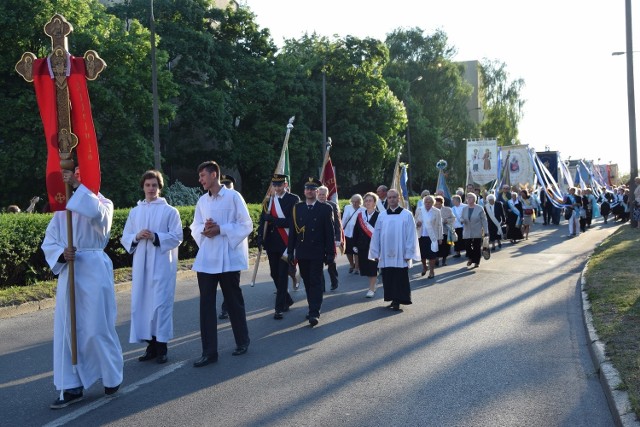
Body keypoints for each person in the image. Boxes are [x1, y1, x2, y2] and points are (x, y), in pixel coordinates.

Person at [42, 168, 123, 409]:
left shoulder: (103, 202)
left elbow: (98, 216)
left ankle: (111, 376)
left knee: (97, 327)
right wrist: (60, 254)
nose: (75, 177)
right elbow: (50, 241)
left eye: (80, 174)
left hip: (94, 269)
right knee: (68, 329)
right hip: (70, 271)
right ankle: (70, 386)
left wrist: (78, 187)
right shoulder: (61, 213)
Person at [190, 161, 253, 367]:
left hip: (228, 260)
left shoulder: (234, 197)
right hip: (208, 260)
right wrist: (204, 230)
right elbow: (195, 225)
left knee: (234, 302)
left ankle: (242, 341)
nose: (200, 180)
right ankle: (209, 351)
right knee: (206, 306)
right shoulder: (202, 201)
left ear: (214, 174)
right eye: (199, 177)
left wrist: (221, 229)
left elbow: (246, 224)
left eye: (203, 176)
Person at [121, 170, 183, 364]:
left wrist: (156, 237)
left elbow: (177, 237)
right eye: (147, 185)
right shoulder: (135, 211)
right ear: (143, 187)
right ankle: (150, 345)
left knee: (160, 304)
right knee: (143, 304)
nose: (151, 189)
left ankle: (162, 347)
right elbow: (126, 236)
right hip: (141, 265)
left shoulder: (170, 211)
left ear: (159, 187)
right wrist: (136, 236)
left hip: (162, 264)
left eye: (154, 185)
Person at [288, 177, 335, 327]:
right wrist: (290, 252)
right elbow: (293, 233)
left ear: (317, 191)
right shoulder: (298, 208)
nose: (309, 191)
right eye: (307, 188)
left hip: (317, 251)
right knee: (307, 282)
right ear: (304, 191)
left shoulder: (325, 208)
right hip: (302, 251)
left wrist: (330, 253)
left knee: (315, 281)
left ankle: (315, 312)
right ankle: (311, 306)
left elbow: (329, 232)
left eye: (312, 189)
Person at [257, 173, 300, 320]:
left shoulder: (294, 199)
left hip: (286, 242)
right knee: (274, 274)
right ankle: (286, 299)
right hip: (271, 242)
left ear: (285, 185)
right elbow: (263, 222)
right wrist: (259, 237)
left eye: (279, 185)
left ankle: (279, 307)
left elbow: (293, 222)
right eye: (274, 185)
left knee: (282, 275)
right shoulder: (269, 201)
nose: (277, 188)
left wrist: (274, 220)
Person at [369, 189, 419, 311]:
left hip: (401, 253)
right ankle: (391, 298)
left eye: (394, 197)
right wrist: (375, 252)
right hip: (385, 253)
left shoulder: (406, 215)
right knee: (388, 276)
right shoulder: (382, 215)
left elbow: (411, 235)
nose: (391, 200)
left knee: (399, 277)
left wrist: (409, 253)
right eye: (389, 197)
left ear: (398, 199)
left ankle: (399, 300)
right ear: (387, 199)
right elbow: (376, 235)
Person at [352, 192, 380, 297]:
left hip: (374, 246)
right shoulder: (360, 216)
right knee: (367, 268)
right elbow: (356, 231)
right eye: (366, 200)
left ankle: (371, 289)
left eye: (370, 200)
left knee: (373, 267)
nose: (368, 202)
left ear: (374, 203)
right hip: (362, 246)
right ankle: (373, 283)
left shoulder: (380, 216)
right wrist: (354, 244)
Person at [217, 174, 236, 320]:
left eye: (227, 186)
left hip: (233, 248)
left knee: (232, 284)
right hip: (217, 249)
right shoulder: (214, 202)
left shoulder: (237, 201)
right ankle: (227, 307)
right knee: (224, 283)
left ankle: (229, 308)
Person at [317, 185, 342, 291]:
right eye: (320, 194)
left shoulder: (332, 205)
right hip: (317, 240)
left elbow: (337, 223)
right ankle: (321, 287)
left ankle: (334, 281)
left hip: (330, 239)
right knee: (318, 264)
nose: (322, 196)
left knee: (331, 263)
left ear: (327, 195)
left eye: (324, 194)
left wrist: (337, 238)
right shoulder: (313, 205)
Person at [415, 195, 442, 279]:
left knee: (432, 255)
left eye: (429, 202)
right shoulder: (419, 210)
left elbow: (439, 225)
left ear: (432, 203)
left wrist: (440, 237)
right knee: (422, 255)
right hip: (421, 236)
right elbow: (415, 220)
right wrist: (417, 223)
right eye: (426, 202)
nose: (427, 203)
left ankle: (431, 271)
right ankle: (424, 266)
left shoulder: (436, 211)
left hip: (432, 237)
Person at [460, 192, 489, 268]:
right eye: (468, 197)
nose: (469, 199)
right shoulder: (464, 208)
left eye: (471, 197)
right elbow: (461, 217)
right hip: (467, 230)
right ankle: (471, 258)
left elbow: (484, 220)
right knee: (467, 246)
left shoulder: (479, 208)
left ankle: (476, 262)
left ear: (474, 199)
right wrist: (462, 220)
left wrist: (486, 231)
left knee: (477, 247)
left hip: (477, 230)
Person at [342, 194, 363, 274]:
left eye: (356, 202)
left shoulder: (363, 209)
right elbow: (344, 219)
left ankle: (357, 267)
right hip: (347, 232)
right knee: (348, 250)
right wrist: (341, 231)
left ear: (360, 202)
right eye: (353, 201)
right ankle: (351, 264)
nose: (354, 203)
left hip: (357, 233)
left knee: (356, 250)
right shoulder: (347, 207)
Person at [434, 196, 454, 267]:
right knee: (437, 246)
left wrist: (447, 221)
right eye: (436, 204)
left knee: (445, 246)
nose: (437, 206)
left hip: (445, 231)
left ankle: (444, 260)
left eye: (439, 204)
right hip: (435, 232)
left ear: (442, 203)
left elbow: (453, 218)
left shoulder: (448, 209)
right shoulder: (432, 210)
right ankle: (436, 259)